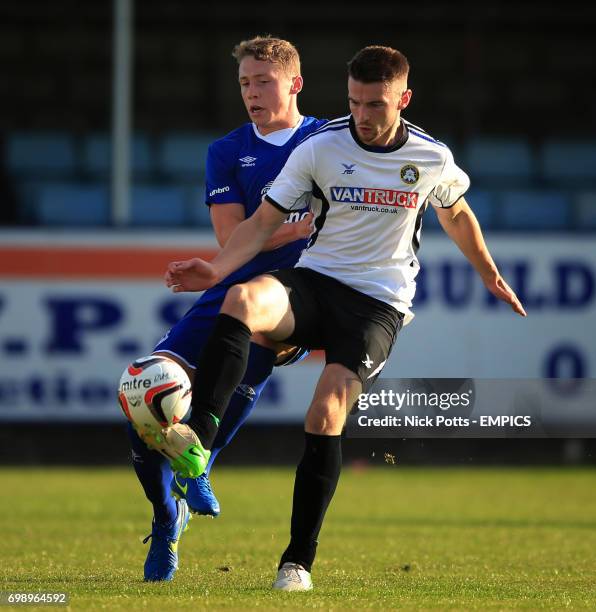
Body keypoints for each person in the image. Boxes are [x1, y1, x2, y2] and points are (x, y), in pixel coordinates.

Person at [153, 45, 527, 591]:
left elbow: (457, 211)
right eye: (354, 102)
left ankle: (296, 562)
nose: (363, 116)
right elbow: (259, 225)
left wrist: (490, 273)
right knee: (241, 302)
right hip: (316, 282)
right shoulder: (321, 145)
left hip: (377, 303)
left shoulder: (430, 157)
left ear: (403, 98)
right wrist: (214, 271)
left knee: (326, 408)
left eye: (375, 104)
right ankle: (199, 441)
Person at [129, 35, 327, 582]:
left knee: (253, 341)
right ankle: (167, 515)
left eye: (263, 80)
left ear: (295, 83)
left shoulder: (328, 140)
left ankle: (201, 464)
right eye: (244, 82)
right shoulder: (226, 150)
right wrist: (292, 227)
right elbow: (229, 235)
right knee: (143, 390)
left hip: (292, 294)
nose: (252, 92)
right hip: (231, 282)